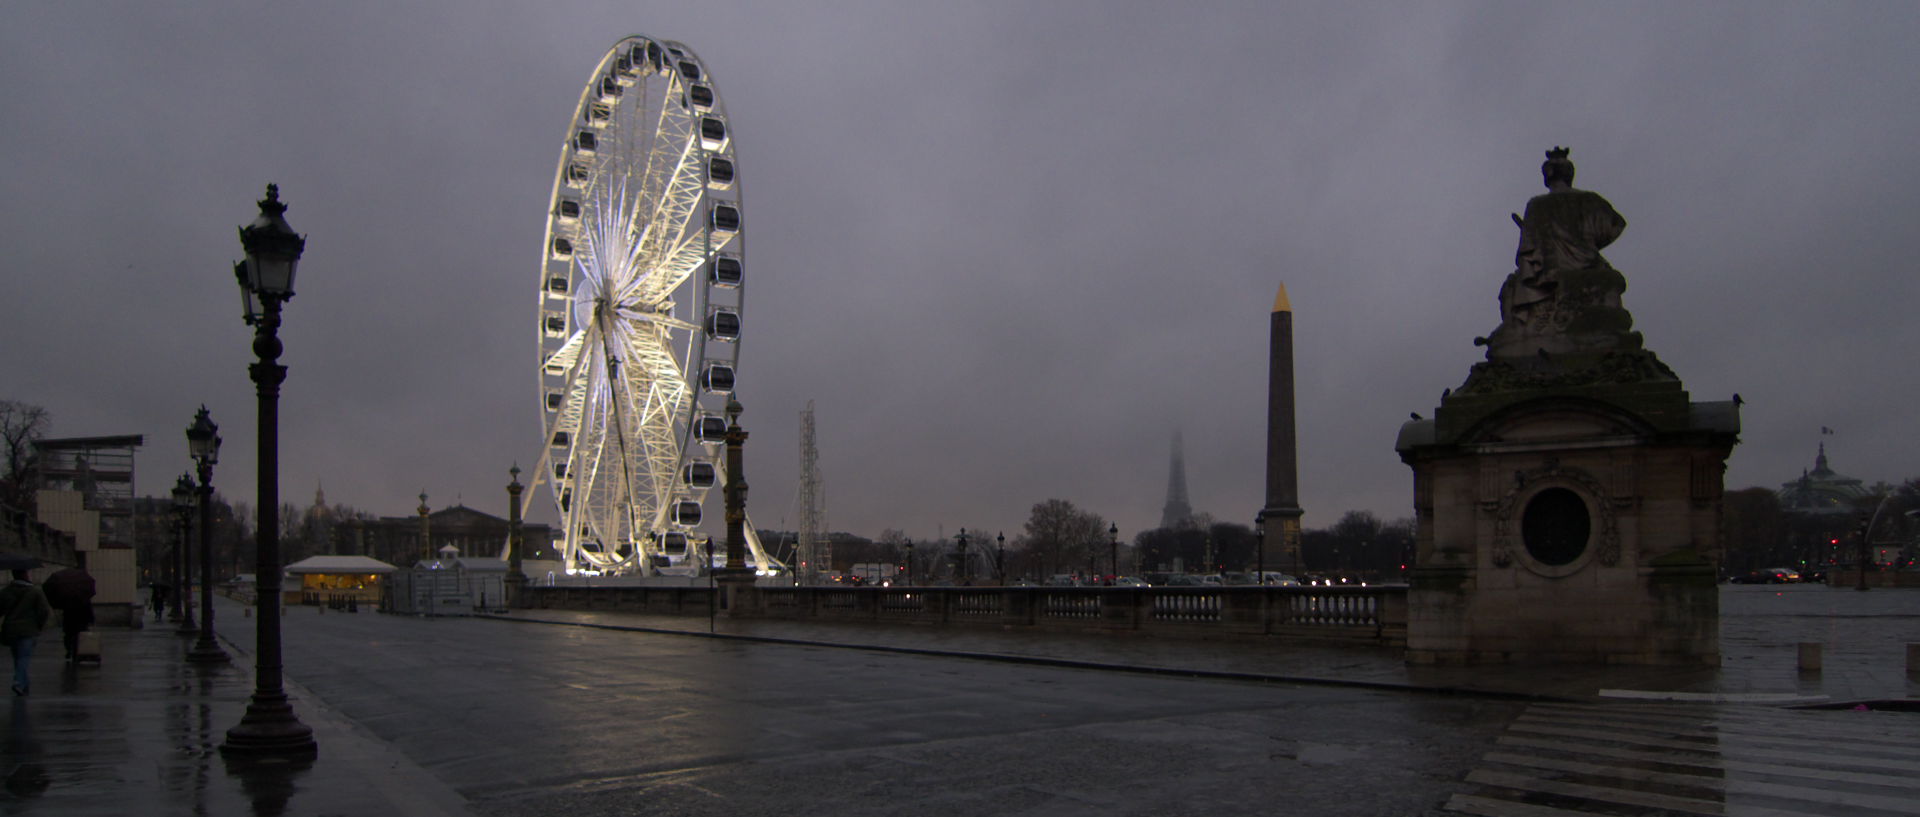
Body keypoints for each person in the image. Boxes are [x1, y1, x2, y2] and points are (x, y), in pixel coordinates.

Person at [0, 568, 52, 696]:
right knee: (24, 657)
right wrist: (38, 625)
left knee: (18, 658)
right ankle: (18, 682)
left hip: (11, 630)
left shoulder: (6, 592)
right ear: (25, 575)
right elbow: (44, 611)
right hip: (28, 630)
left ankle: (24, 685)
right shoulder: (35, 592)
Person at [43, 554, 96, 662]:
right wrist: (91, 619)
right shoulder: (83, 593)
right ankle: (78, 651)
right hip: (82, 619)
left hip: (69, 618)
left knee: (68, 634)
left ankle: (69, 650)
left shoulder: (65, 596)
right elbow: (88, 608)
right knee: (80, 635)